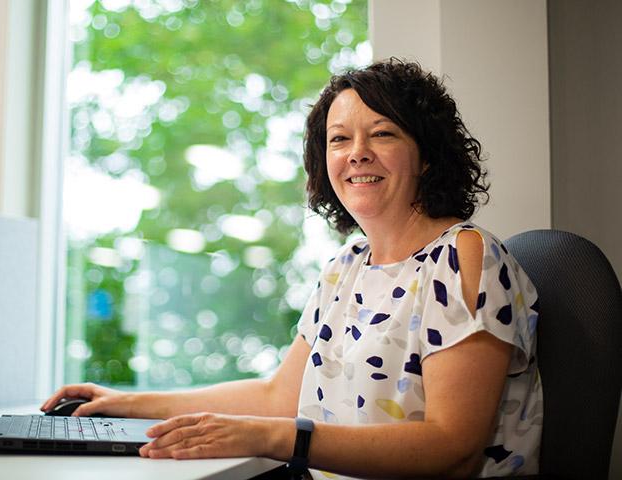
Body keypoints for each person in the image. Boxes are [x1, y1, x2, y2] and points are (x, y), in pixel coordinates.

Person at [41, 58, 543, 478]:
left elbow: (452, 449)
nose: (357, 153)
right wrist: (126, 403)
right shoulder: (346, 267)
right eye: (339, 139)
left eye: (383, 133)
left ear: (428, 155)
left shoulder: (465, 256)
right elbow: (279, 395)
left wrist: (280, 438)